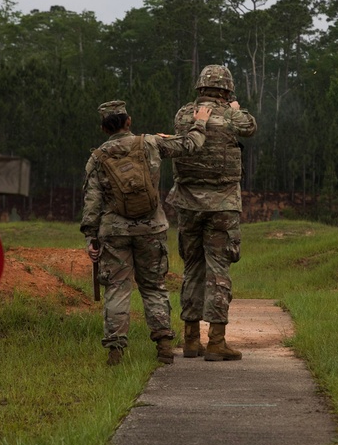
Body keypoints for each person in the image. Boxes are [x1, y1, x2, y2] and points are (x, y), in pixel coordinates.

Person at [81, 99, 210, 366]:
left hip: (114, 232)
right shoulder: (150, 143)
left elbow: (92, 203)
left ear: (104, 129)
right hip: (152, 228)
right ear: (128, 121)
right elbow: (190, 145)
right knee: (153, 287)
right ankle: (164, 346)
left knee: (117, 289)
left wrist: (91, 237)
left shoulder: (97, 158)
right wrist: (200, 121)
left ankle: (115, 351)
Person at [168, 65, 257, 361]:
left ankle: (191, 340)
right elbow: (250, 127)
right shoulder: (232, 115)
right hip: (222, 205)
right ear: (227, 89)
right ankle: (217, 342)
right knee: (218, 271)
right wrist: (235, 108)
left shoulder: (184, 114)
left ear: (200, 87)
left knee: (192, 268)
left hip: (188, 204)